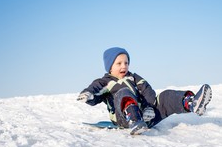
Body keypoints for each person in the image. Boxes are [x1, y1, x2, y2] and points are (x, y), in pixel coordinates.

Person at [77, 47, 212, 135]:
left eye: (126, 62)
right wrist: (88, 95)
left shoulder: (134, 77)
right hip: (124, 119)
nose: (124, 66)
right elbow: (94, 91)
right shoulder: (105, 82)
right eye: (119, 63)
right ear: (110, 67)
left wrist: (149, 108)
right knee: (124, 93)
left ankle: (191, 103)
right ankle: (134, 120)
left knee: (165, 97)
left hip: (147, 116)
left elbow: (147, 90)